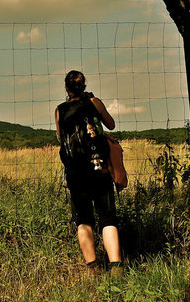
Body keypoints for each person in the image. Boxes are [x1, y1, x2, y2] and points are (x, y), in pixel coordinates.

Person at [55, 70, 122, 274]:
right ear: (84, 86)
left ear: (66, 88)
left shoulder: (59, 110)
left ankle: (93, 269)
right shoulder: (94, 102)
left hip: (75, 173)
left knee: (83, 220)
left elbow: (61, 137)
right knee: (107, 218)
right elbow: (111, 124)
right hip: (99, 167)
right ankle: (117, 268)